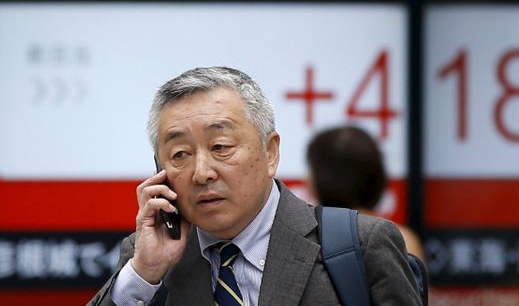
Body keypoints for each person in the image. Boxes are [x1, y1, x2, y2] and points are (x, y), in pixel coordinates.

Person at [88, 66, 422, 306]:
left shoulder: (361, 246)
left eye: (221, 147)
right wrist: (144, 273)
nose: (201, 172)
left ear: (270, 152)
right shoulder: (149, 261)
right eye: (180, 154)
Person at [306, 125, 425, 261]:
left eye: (310, 169)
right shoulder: (402, 239)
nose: (307, 180)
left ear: (323, 177)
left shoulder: (306, 239)